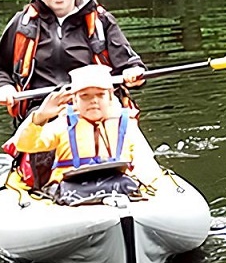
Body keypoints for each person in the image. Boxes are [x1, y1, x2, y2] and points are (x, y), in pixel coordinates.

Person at [0, 0, 146, 123]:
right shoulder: (22, 23)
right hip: (42, 111)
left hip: (94, 108)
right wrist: (4, 87)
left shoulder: (101, 21)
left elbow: (129, 64)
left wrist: (133, 74)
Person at [10, 64, 160, 204]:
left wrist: (153, 192)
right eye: (85, 96)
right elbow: (24, 145)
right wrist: (40, 116)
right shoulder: (63, 124)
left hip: (119, 188)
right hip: (70, 192)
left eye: (100, 95)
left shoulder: (126, 124)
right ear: (74, 99)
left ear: (110, 97)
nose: (93, 101)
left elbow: (146, 164)